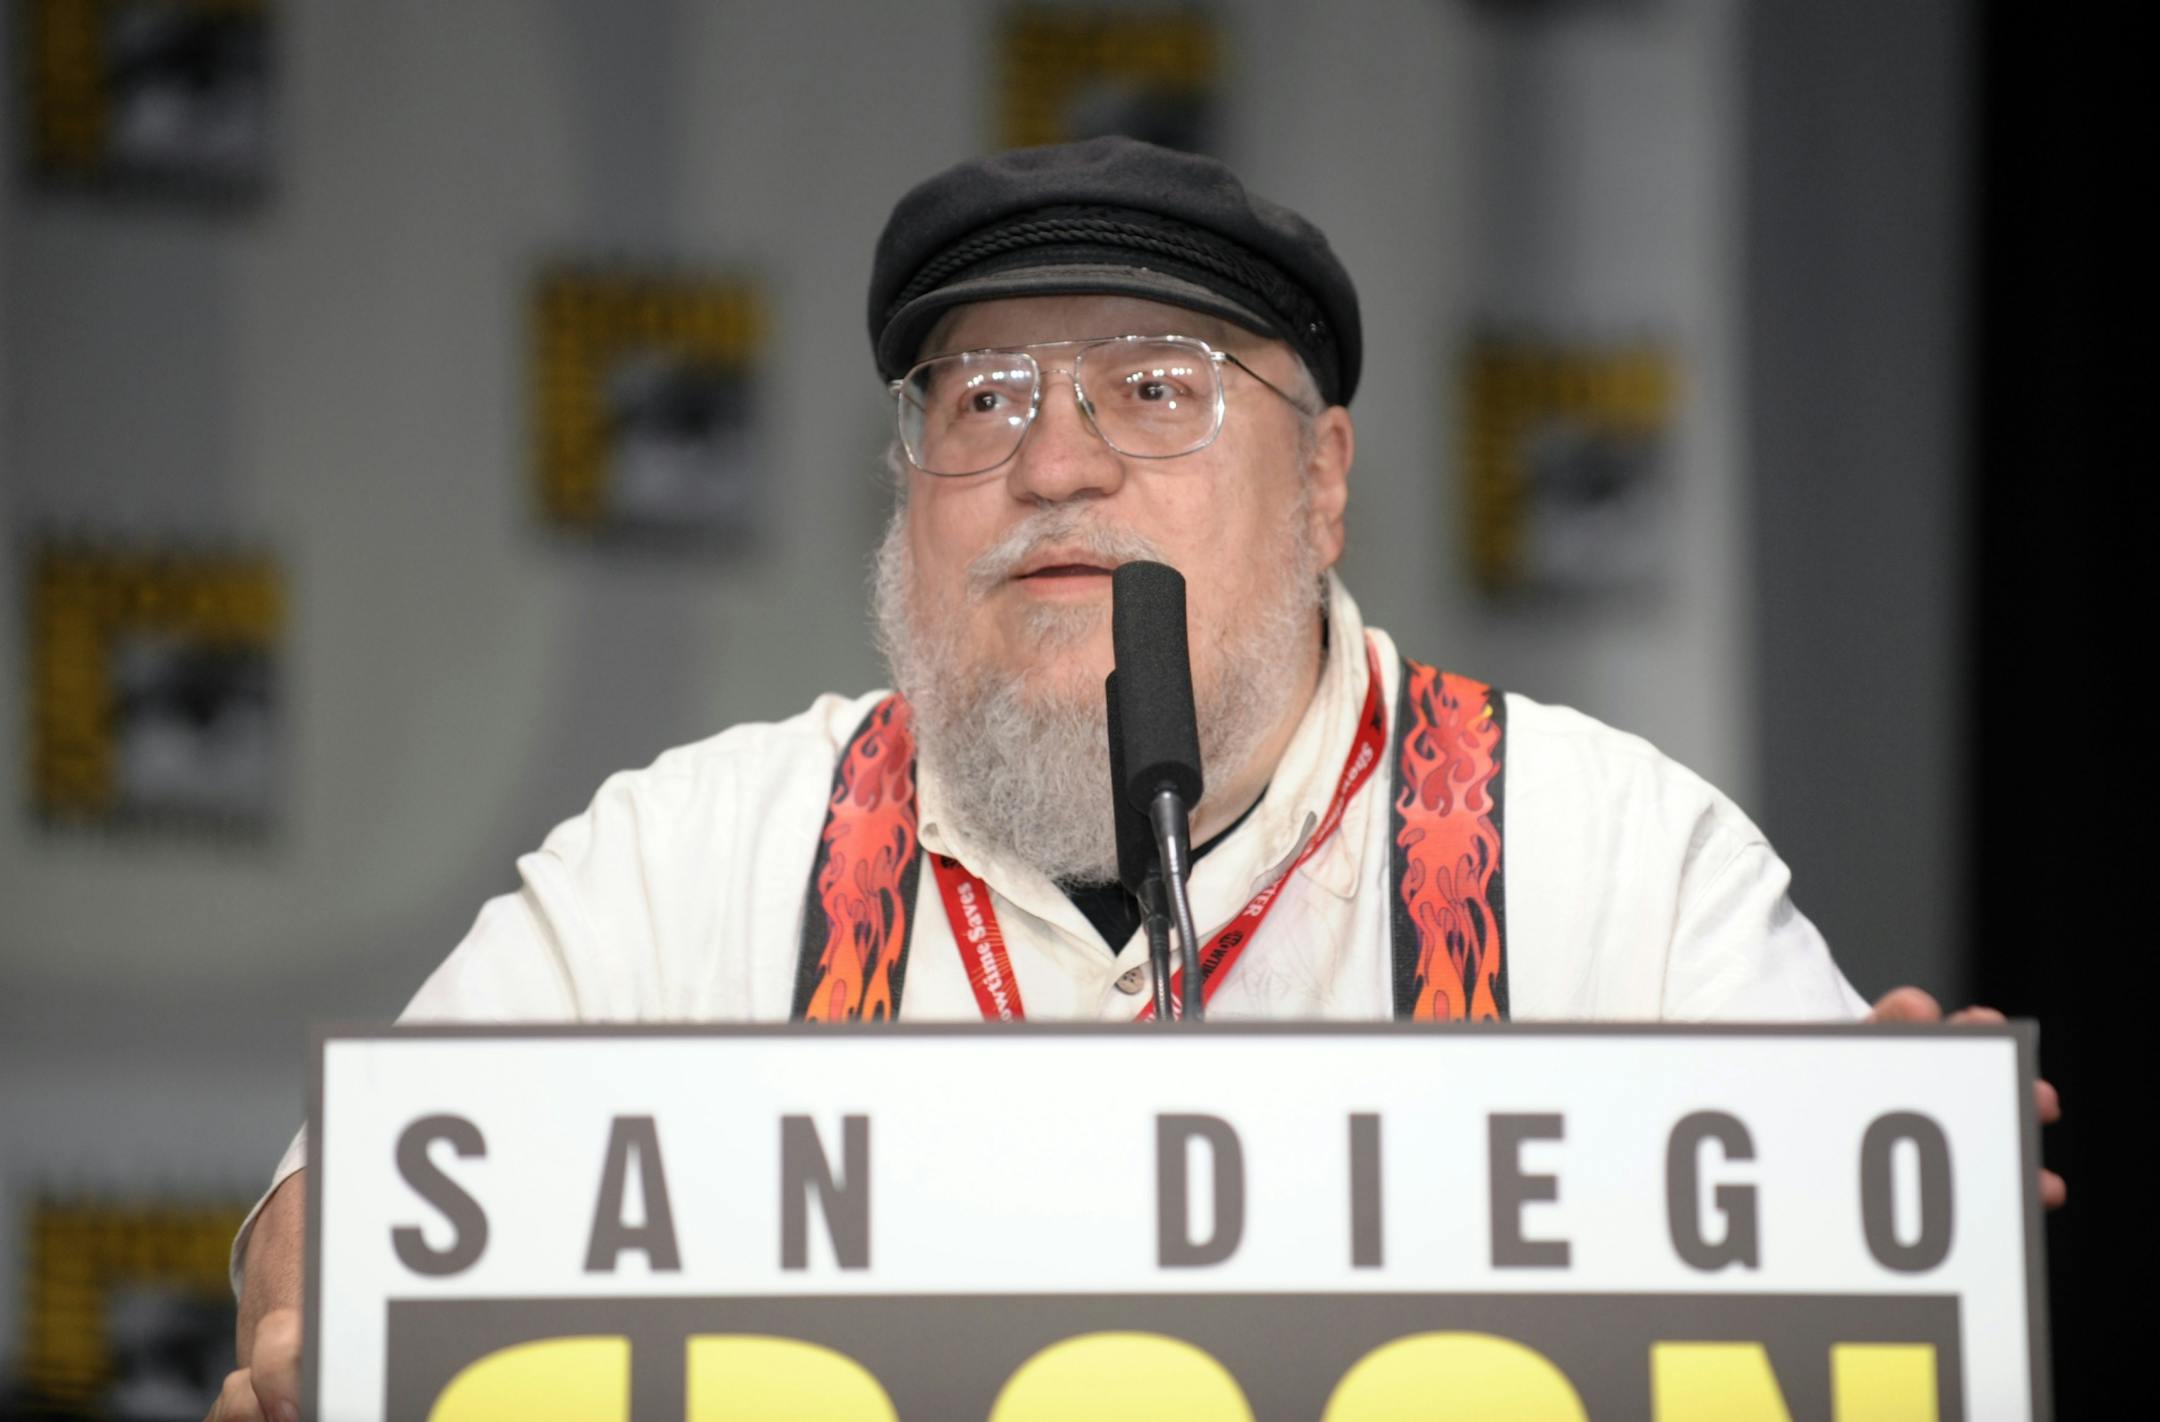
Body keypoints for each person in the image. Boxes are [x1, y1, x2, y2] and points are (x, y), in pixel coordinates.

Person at [208, 136, 2062, 1421]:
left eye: (1156, 388)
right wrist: (305, 1312)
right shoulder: (687, 859)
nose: (1053, 465)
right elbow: (353, 1194)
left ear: (1324, 481)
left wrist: (1873, 1198)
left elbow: (1839, 1258)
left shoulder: (1611, 860)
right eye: (981, 396)